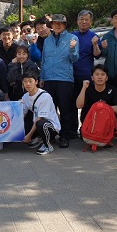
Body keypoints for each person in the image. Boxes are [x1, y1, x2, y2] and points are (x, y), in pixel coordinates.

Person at [38, 14, 79, 149]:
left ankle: (65, 136)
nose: (57, 25)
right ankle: (50, 135)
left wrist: (72, 49)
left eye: (60, 23)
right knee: (50, 109)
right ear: (51, 25)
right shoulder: (47, 40)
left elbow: (75, 59)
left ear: (65, 25)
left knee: (65, 109)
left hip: (64, 79)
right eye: (55, 23)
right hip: (49, 79)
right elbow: (44, 60)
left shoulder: (72, 38)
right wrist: (42, 77)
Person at [21, 71, 61, 155]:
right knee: (24, 122)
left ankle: (47, 145)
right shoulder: (25, 96)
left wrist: (29, 135)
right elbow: (22, 114)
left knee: (40, 123)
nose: (27, 84)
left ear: (36, 82)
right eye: (25, 81)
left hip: (51, 125)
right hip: (37, 123)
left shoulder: (45, 96)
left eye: (30, 81)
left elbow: (40, 118)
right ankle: (40, 137)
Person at [72, 10, 102, 98]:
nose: (84, 22)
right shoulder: (71, 35)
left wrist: (95, 45)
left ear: (90, 22)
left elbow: (97, 55)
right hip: (71, 74)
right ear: (77, 21)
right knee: (72, 100)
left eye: (86, 19)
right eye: (81, 19)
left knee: (87, 100)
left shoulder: (94, 36)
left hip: (86, 74)